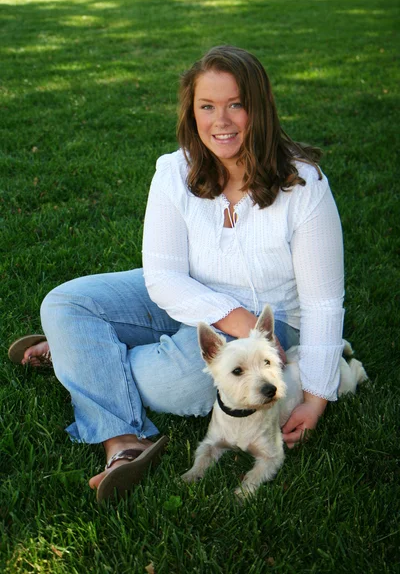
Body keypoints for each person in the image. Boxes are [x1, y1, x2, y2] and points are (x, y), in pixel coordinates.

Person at [8, 46, 344, 502]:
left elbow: (323, 301)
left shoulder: (303, 185)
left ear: (259, 108)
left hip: (271, 320)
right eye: (207, 106)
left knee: (167, 383)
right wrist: (231, 316)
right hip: (185, 293)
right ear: (192, 112)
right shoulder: (174, 170)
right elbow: (163, 275)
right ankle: (123, 440)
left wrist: (317, 397)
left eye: (235, 105)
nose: (220, 121)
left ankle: (81, 355)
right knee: (65, 302)